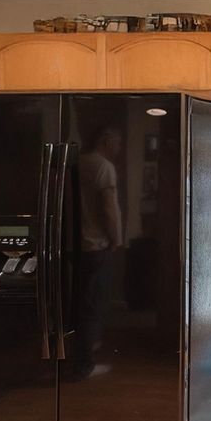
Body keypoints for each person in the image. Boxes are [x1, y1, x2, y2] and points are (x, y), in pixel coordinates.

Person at [69, 127, 123, 381]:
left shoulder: (76, 162)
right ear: (105, 139)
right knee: (93, 305)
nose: (119, 146)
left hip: (71, 246)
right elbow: (108, 208)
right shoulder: (103, 167)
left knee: (77, 304)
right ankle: (85, 364)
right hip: (96, 246)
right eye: (117, 141)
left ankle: (77, 360)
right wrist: (116, 239)